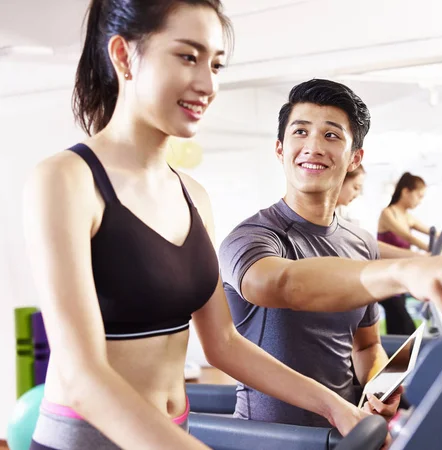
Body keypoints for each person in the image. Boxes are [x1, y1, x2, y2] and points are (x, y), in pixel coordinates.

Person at [23, 4, 369, 450]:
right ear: (125, 57)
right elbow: (82, 375)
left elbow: (223, 342)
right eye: (188, 57)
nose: (208, 84)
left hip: (174, 434)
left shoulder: (193, 195)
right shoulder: (66, 179)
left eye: (216, 64)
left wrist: (333, 406)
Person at [219, 79, 442, 429]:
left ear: (354, 158)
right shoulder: (252, 237)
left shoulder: (360, 242)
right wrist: (402, 272)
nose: (313, 146)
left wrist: (379, 385)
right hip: (276, 440)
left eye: (331, 135)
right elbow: (279, 284)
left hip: (349, 429)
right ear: (279, 149)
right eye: (300, 132)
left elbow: (366, 347)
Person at [377, 173, 432, 252]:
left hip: (404, 262)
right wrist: (431, 249)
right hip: (389, 263)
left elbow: (432, 232)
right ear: (405, 192)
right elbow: (408, 237)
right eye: (419, 196)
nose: (420, 202)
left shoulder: (408, 217)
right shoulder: (387, 213)